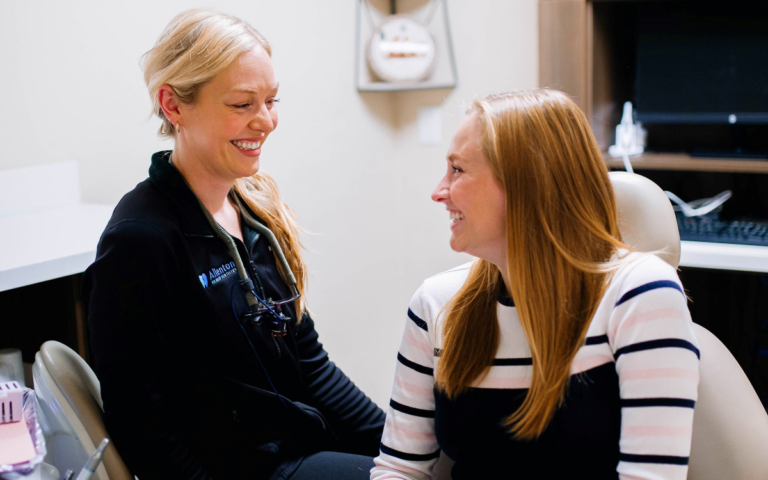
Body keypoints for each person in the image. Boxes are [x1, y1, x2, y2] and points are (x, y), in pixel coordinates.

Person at [82, 9, 384, 480]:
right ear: (174, 105)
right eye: (243, 104)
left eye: (272, 100)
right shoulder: (141, 241)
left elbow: (310, 364)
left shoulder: (253, 209)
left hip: (298, 442)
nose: (266, 121)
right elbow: (140, 422)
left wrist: (403, 448)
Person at [371, 90, 700, 480]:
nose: (439, 192)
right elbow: (399, 468)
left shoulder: (640, 294)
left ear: (526, 184)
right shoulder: (436, 303)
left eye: (457, 170)